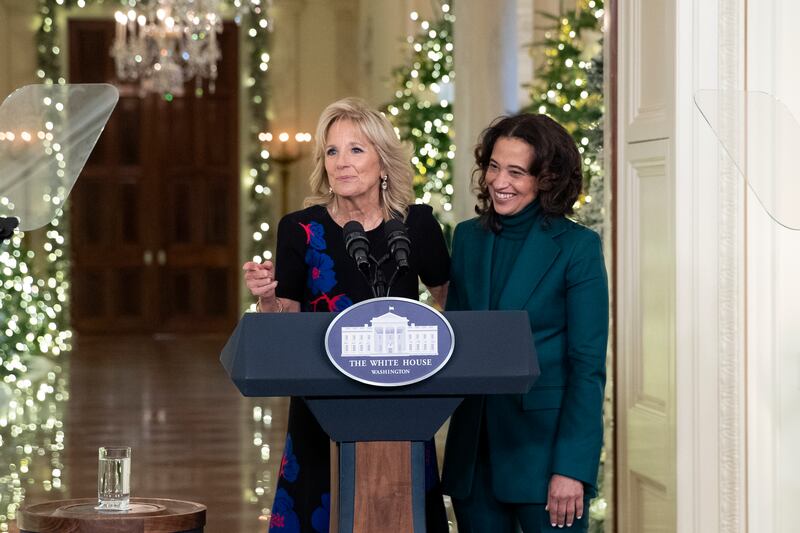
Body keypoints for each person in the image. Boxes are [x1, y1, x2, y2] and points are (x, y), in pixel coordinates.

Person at [243, 97, 450, 533]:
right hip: (322, 407)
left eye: (356, 149)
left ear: (383, 161)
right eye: (332, 151)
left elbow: (448, 304)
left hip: (402, 400)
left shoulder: (417, 226)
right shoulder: (299, 228)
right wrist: (265, 299)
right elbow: (288, 325)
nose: (342, 162)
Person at [441, 113, 609, 532]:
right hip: (474, 460)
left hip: (546, 459)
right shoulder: (466, 238)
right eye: (494, 167)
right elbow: (457, 344)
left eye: (516, 172)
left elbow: (587, 368)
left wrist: (573, 468)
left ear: (546, 178)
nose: (499, 181)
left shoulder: (578, 248)